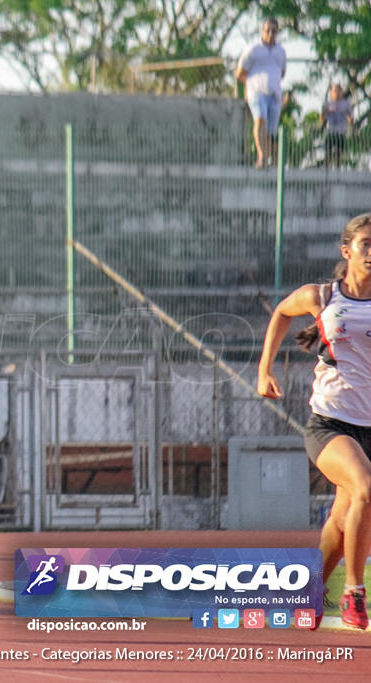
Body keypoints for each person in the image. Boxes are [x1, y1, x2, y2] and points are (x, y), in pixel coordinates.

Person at [258, 213, 371, 631]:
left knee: (344, 520)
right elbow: (281, 314)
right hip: (330, 424)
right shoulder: (322, 297)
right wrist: (263, 370)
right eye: (366, 245)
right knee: (365, 487)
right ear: (347, 251)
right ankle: (354, 593)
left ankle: (309, 593)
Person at [235, 18, 287, 168]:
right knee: (260, 120)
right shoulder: (253, 49)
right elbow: (240, 73)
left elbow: (282, 72)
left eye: (274, 31)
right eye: (268, 30)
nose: (271, 34)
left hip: (274, 94)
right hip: (257, 92)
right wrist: (251, 84)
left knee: (271, 130)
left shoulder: (280, 52)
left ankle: (270, 160)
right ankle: (262, 156)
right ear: (262, 31)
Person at [321, 83, 354, 169]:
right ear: (331, 93)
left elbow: (350, 117)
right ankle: (326, 170)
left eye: (339, 90)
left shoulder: (346, 103)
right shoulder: (327, 103)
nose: (337, 92)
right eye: (335, 90)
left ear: (342, 92)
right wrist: (323, 114)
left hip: (341, 132)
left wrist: (350, 120)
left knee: (339, 153)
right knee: (328, 152)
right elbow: (322, 119)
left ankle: (338, 171)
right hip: (330, 132)